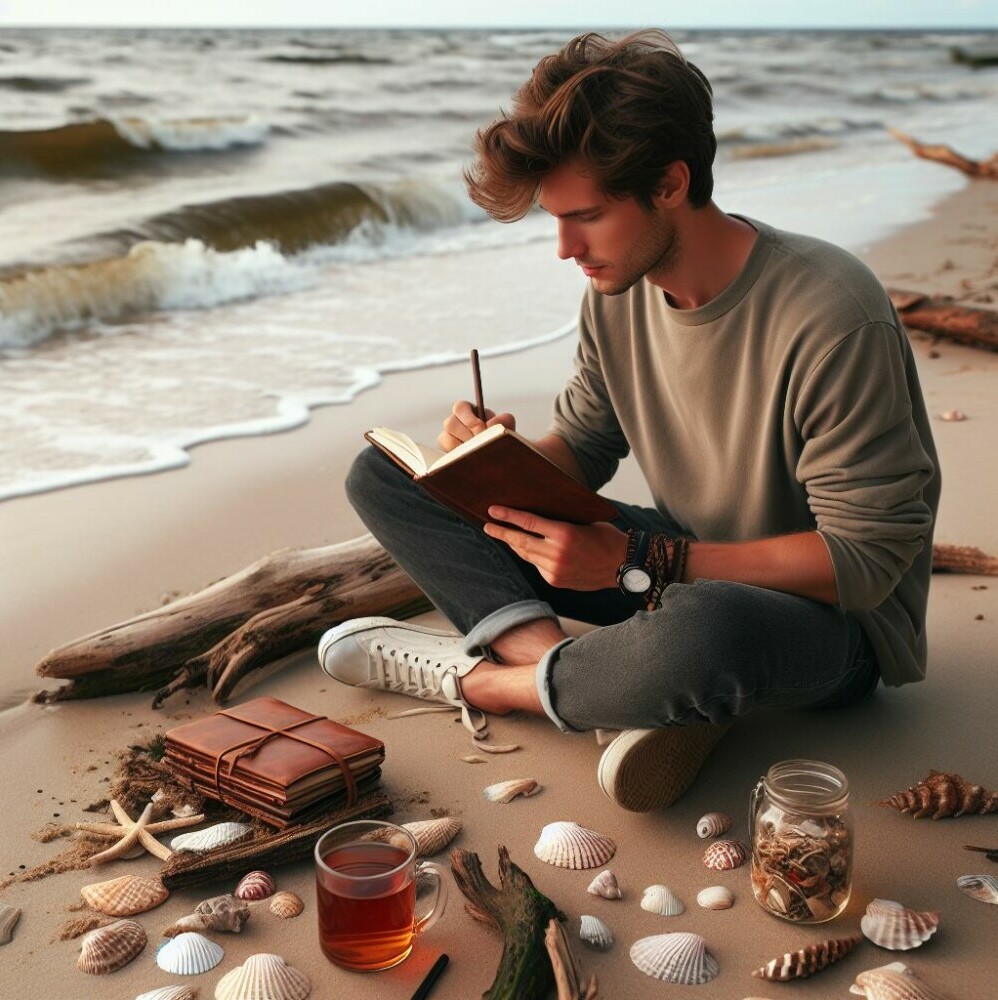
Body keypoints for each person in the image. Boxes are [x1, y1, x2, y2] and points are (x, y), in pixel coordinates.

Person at [318, 30, 940, 812]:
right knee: (388, 475)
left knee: (702, 633)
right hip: (665, 567)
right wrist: (490, 460)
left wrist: (641, 558)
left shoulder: (832, 313)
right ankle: (593, 687)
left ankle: (494, 683)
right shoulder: (617, 291)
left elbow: (864, 562)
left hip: (821, 627)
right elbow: (578, 449)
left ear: (671, 183)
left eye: (586, 217)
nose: (564, 248)